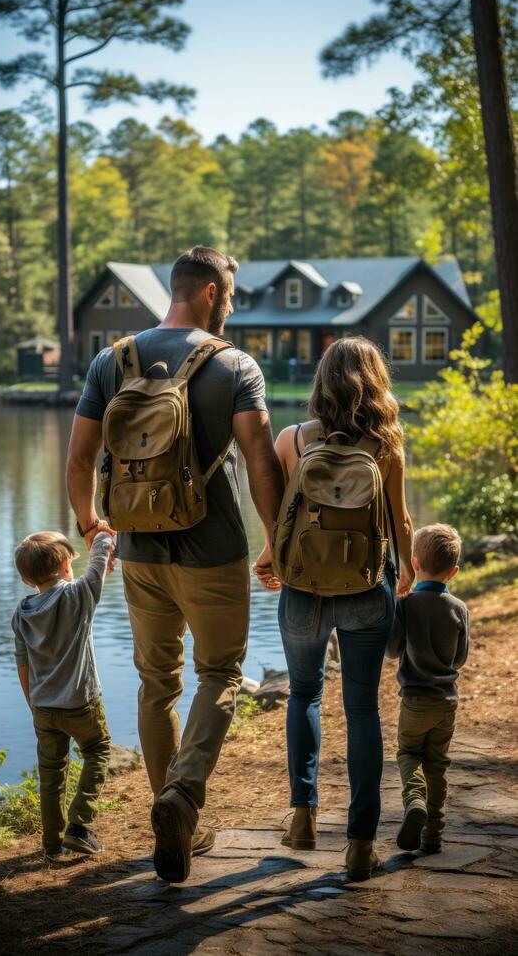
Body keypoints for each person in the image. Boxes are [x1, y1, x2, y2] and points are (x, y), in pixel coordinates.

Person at [67, 245, 284, 884]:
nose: (233, 308)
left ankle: (167, 806)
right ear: (213, 293)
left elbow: (81, 460)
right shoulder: (235, 365)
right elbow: (262, 461)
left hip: (136, 548)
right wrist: (274, 541)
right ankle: (183, 798)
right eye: (233, 297)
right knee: (220, 671)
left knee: (156, 680)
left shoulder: (113, 360)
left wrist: (90, 527)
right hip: (213, 550)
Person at [255, 336, 414, 881]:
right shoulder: (387, 443)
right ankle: (361, 845)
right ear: (376, 384)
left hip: (303, 588)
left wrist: (269, 556)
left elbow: (282, 518)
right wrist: (409, 572)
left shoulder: (291, 440)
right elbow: (401, 523)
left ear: (321, 384)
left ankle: (302, 817)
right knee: (363, 709)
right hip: (367, 588)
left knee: (303, 694)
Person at [12, 530, 114, 861]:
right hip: (81, 703)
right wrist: (101, 534)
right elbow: (98, 561)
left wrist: (34, 706)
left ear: (28, 580)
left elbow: (23, 665)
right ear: (66, 563)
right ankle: (80, 825)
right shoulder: (78, 596)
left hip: (42, 707)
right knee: (98, 751)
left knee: (52, 774)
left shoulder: (22, 612)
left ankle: (52, 847)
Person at [386, 523, 469, 854]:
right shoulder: (459, 609)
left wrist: (392, 605)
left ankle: (414, 799)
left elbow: (392, 650)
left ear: (414, 563)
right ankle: (433, 835)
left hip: (414, 700)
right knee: (438, 763)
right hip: (446, 703)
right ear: (454, 572)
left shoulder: (406, 606)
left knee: (408, 753)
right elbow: (459, 658)